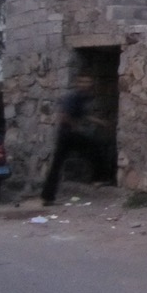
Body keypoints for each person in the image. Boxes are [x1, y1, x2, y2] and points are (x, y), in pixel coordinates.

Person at [41, 76, 110, 205]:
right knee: (95, 147)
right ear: (78, 83)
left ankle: (47, 196)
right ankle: (98, 178)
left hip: (69, 134)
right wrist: (74, 127)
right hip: (68, 134)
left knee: (60, 163)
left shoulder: (83, 97)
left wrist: (100, 122)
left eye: (89, 82)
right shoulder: (73, 97)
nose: (87, 84)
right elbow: (65, 115)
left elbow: (83, 115)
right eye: (84, 82)